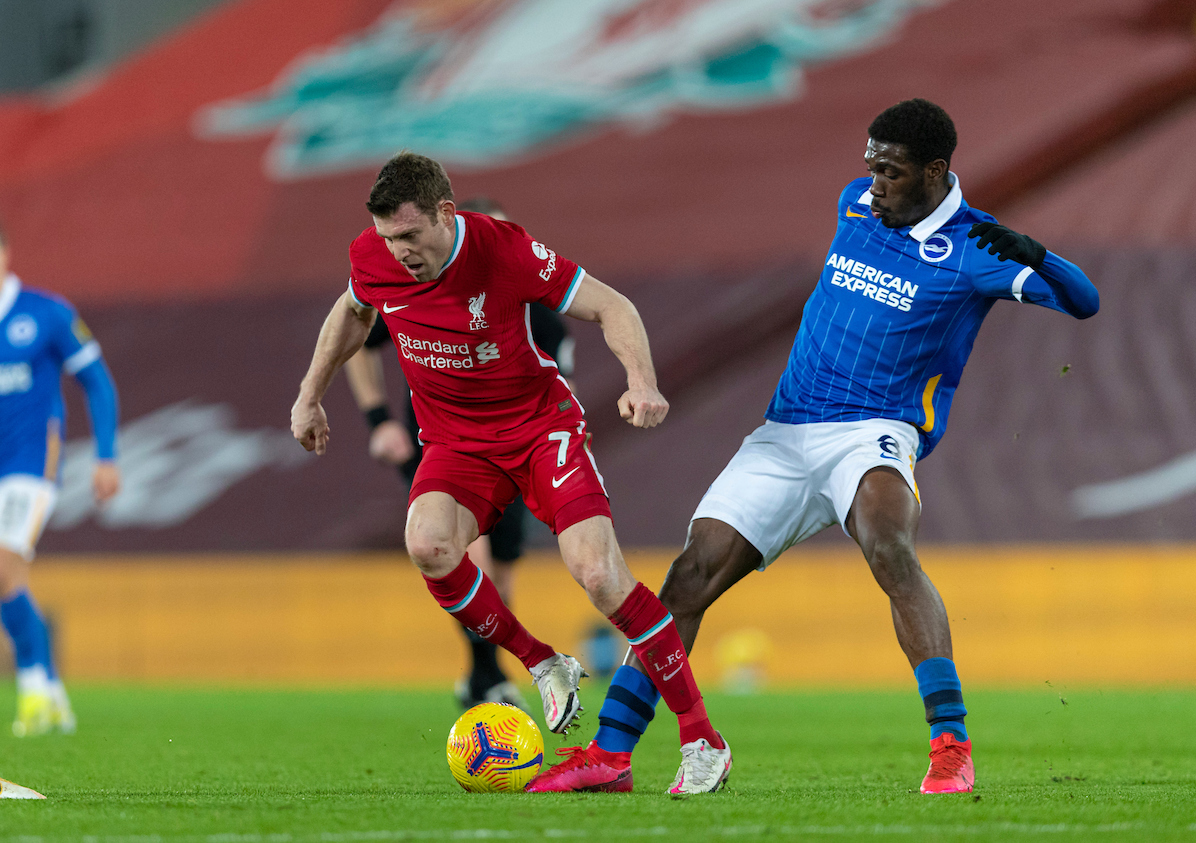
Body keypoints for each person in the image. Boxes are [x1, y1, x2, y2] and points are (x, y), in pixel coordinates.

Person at [529, 98, 1099, 795]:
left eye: (891, 172)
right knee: (689, 576)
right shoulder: (855, 202)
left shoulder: (978, 247)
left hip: (874, 430)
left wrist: (1038, 253)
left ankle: (950, 745)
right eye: (871, 167)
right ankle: (611, 756)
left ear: (934, 170)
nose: (875, 183)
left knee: (890, 546)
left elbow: (1085, 301)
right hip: (786, 429)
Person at [291, 152, 731, 794]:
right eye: (390, 239)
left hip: (537, 429)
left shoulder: (505, 250)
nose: (401, 253)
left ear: (446, 214)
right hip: (455, 443)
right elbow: (351, 314)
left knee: (598, 574)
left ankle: (702, 740)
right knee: (427, 544)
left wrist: (642, 382)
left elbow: (614, 306)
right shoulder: (373, 256)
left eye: (411, 236)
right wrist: (310, 396)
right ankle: (541, 661)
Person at [343, 197, 575, 711]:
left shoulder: (543, 311)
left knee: (504, 566)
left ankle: (482, 673)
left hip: (520, 446)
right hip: (443, 446)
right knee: (467, 552)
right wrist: (379, 419)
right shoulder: (426, 292)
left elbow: (565, 382)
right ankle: (495, 676)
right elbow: (355, 334)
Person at [0, 222, 121, 736]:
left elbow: (96, 381)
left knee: (3, 569)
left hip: (31, 464)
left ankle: (32, 690)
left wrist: (106, 455)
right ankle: (51, 694)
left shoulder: (45, 312)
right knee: (9, 583)